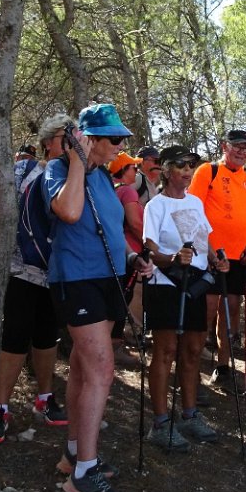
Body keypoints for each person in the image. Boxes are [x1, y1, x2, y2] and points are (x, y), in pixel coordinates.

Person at [42, 103, 152, 492]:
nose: (120, 145)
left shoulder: (105, 178)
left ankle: (74, 452)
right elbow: (69, 212)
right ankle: (84, 474)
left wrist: (132, 258)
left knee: (84, 368)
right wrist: (76, 160)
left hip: (108, 280)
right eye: (113, 138)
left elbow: (111, 230)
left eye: (122, 138)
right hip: (77, 280)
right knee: (103, 371)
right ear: (88, 139)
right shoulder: (57, 171)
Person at [0, 115, 73, 444]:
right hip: (21, 265)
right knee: (14, 335)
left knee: (47, 336)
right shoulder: (25, 169)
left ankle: (45, 398)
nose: (70, 142)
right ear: (47, 142)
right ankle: (0, 407)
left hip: (58, 269)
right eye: (64, 136)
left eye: (74, 136)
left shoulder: (78, 174)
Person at [142, 145, 229, 451]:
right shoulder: (155, 206)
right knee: (165, 350)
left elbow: (205, 237)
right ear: (166, 170)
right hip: (165, 284)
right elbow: (149, 248)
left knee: (192, 350)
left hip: (195, 285)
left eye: (191, 165)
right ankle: (160, 423)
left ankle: (190, 415)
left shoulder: (195, 202)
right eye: (181, 165)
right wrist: (171, 258)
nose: (188, 171)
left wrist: (218, 259)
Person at [188, 129, 246, 386]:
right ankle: (192, 371)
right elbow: (193, 210)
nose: (242, 151)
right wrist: (207, 249)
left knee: (231, 311)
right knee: (205, 312)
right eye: (237, 146)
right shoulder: (208, 171)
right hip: (209, 255)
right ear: (224, 146)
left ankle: (223, 367)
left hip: (237, 258)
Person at [109, 150, 145, 367]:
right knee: (123, 298)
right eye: (134, 167)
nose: (137, 171)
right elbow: (135, 223)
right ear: (123, 170)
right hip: (129, 253)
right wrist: (149, 245)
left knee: (118, 296)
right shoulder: (128, 192)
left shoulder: (111, 189)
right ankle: (114, 345)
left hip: (116, 252)